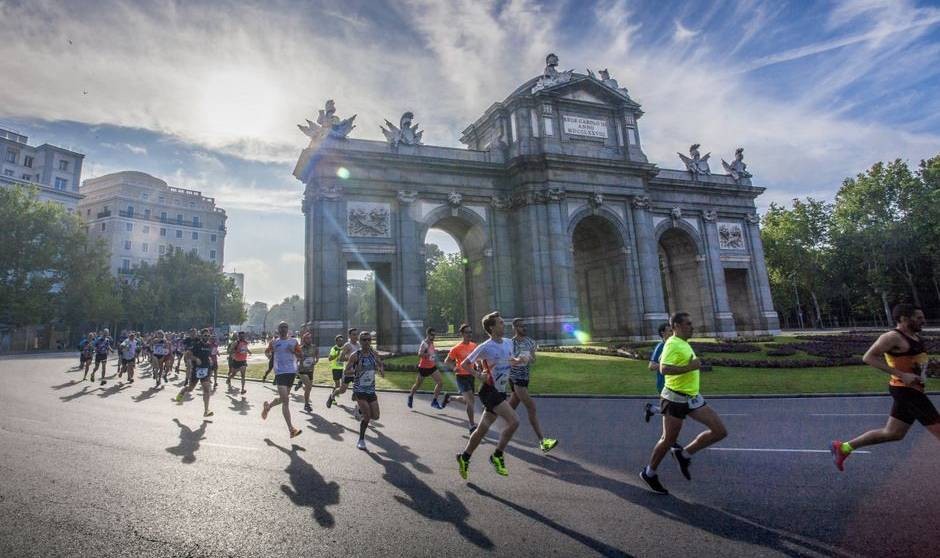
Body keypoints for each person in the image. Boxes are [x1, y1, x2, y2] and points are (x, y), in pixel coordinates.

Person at [831, 304, 939, 470]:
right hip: (906, 391)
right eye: (918, 318)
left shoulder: (914, 336)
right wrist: (902, 374)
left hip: (913, 389)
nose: (923, 321)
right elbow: (868, 357)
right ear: (903, 318)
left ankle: (843, 447)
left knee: (893, 433)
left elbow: (915, 361)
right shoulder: (892, 337)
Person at [640, 312, 727, 495]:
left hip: (693, 397)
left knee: (720, 431)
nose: (692, 327)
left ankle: (684, 454)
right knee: (668, 440)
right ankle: (649, 473)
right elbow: (663, 369)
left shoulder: (683, 343)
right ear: (677, 326)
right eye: (688, 324)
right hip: (674, 398)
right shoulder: (671, 344)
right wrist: (691, 367)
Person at [456, 311, 521, 479]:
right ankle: (497, 456)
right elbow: (465, 364)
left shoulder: (507, 342)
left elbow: (509, 360)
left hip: (500, 390)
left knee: (482, 429)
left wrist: (520, 360)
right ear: (492, 328)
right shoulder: (485, 346)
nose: (503, 324)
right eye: (500, 323)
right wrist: (478, 375)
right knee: (514, 421)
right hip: (489, 391)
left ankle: (464, 457)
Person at [507, 319, 558, 453]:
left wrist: (530, 358)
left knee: (509, 407)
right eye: (521, 326)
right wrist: (518, 360)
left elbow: (534, 359)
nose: (524, 328)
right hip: (515, 378)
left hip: (525, 378)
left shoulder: (530, 341)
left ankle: (486, 421)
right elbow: (507, 360)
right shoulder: (510, 343)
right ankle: (543, 441)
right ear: (514, 328)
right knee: (531, 407)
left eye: (525, 326)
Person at [261, 321, 303, 438]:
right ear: (278, 330)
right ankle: (291, 429)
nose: (283, 329)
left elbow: (301, 356)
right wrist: (271, 359)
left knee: (282, 399)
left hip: (291, 373)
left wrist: (293, 351)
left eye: (285, 327)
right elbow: (266, 351)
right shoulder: (274, 342)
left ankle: (268, 406)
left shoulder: (294, 342)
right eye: (281, 327)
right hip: (280, 373)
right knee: (286, 401)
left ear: (288, 329)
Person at [346, 331, 385, 450]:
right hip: (359, 390)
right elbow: (346, 371)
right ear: (360, 341)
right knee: (367, 417)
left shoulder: (374, 353)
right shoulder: (355, 355)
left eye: (369, 339)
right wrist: (356, 370)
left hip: (371, 390)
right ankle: (361, 440)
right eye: (364, 340)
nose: (367, 342)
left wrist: (381, 369)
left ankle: (359, 411)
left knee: (376, 416)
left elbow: (380, 363)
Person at [443, 324, 478, 432]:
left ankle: (450, 398)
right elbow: (447, 361)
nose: (469, 334)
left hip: (471, 376)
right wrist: (454, 368)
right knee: (471, 401)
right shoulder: (456, 348)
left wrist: (478, 366)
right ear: (462, 334)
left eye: (470, 332)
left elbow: (476, 359)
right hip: (461, 377)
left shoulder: (474, 346)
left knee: (469, 401)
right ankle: (472, 425)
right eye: (467, 332)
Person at [173, 328, 215, 417]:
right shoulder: (196, 345)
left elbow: (207, 355)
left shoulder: (209, 345)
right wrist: (196, 359)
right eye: (205, 335)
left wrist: (209, 360)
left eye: (208, 335)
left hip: (206, 370)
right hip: (196, 370)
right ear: (201, 336)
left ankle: (206, 410)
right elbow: (187, 355)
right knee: (190, 389)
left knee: (207, 390)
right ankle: (183, 391)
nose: (207, 337)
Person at [408, 327, 446, 409]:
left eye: (434, 335)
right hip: (424, 368)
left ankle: (434, 401)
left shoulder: (431, 342)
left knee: (440, 382)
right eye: (432, 335)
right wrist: (429, 355)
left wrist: (435, 354)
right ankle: (410, 396)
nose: (433, 336)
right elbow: (419, 354)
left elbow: (431, 353)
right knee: (418, 385)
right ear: (428, 334)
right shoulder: (424, 343)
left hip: (432, 367)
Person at [644, 323, 673, 423]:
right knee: (671, 412)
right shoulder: (661, 347)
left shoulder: (673, 346)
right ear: (663, 333)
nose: (672, 333)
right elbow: (651, 366)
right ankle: (668, 437)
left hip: (675, 384)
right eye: (670, 331)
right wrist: (666, 366)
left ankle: (651, 409)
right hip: (664, 384)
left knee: (673, 410)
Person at [326, 328, 360, 411]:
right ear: (349, 336)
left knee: (360, 390)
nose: (356, 336)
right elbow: (341, 358)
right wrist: (350, 359)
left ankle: (359, 409)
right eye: (354, 334)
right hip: (348, 372)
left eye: (357, 334)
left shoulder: (359, 345)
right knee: (342, 390)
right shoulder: (347, 345)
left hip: (357, 371)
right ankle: (332, 396)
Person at [296, 333, 319, 412]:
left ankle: (301, 383)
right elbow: (296, 358)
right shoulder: (300, 348)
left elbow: (317, 354)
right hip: (302, 370)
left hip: (310, 370)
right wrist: (300, 359)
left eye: (310, 338)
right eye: (307, 338)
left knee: (308, 388)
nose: (309, 339)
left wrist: (316, 361)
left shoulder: (314, 347)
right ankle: (306, 404)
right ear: (303, 339)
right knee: (308, 386)